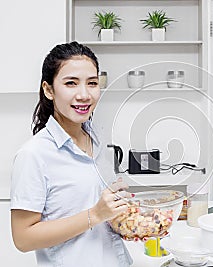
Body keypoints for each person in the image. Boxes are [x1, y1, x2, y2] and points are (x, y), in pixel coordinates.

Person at [10, 41, 133, 267]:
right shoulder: (34, 155)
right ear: (49, 90)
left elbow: (101, 211)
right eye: (71, 83)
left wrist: (126, 217)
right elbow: (23, 238)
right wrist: (94, 215)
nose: (84, 95)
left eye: (92, 83)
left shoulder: (98, 141)